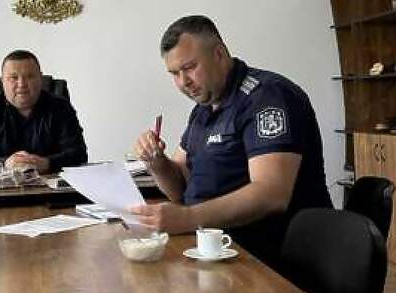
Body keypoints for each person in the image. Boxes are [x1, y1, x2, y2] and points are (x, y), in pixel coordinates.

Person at [131, 15, 332, 265]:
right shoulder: (203, 109)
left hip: (272, 257)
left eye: (190, 67)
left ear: (219, 54)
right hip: (215, 246)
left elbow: (271, 194)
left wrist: (187, 218)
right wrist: (157, 163)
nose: (184, 82)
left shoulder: (267, 97)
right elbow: (179, 190)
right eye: (174, 74)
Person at [0, 50, 88, 175]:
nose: (22, 84)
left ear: (40, 78)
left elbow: (79, 154)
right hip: (2, 186)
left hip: (50, 184)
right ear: (3, 81)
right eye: (13, 78)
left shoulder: (60, 107)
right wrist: (5, 164)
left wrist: (47, 163)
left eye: (29, 76)